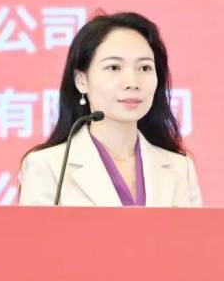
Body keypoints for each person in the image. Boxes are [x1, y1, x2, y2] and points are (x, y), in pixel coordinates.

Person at [19, 11, 202, 207]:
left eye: (145, 68)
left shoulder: (180, 168)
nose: (132, 82)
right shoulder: (47, 166)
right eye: (114, 67)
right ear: (81, 80)